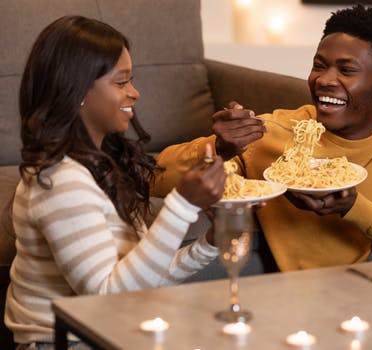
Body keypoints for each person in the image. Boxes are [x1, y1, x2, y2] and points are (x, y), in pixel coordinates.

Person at [153, 5, 372, 271]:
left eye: (346, 71)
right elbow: (154, 179)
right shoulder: (272, 132)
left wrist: (354, 207)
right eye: (319, 66)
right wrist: (218, 150)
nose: (325, 80)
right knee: (162, 272)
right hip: (289, 282)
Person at [5, 16, 226, 348]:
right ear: (76, 90)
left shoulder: (101, 164)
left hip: (110, 330)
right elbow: (107, 296)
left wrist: (210, 241)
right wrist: (181, 205)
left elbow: (140, 279)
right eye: (121, 82)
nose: (134, 93)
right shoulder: (60, 181)